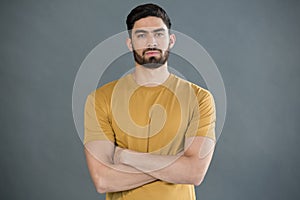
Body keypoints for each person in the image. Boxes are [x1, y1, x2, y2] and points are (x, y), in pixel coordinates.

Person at [84, 3, 216, 200]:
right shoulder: (100, 99)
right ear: (130, 43)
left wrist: (126, 157)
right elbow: (103, 180)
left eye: (159, 34)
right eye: (141, 35)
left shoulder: (199, 99)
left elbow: (194, 173)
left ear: (171, 40)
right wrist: (174, 167)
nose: (151, 42)